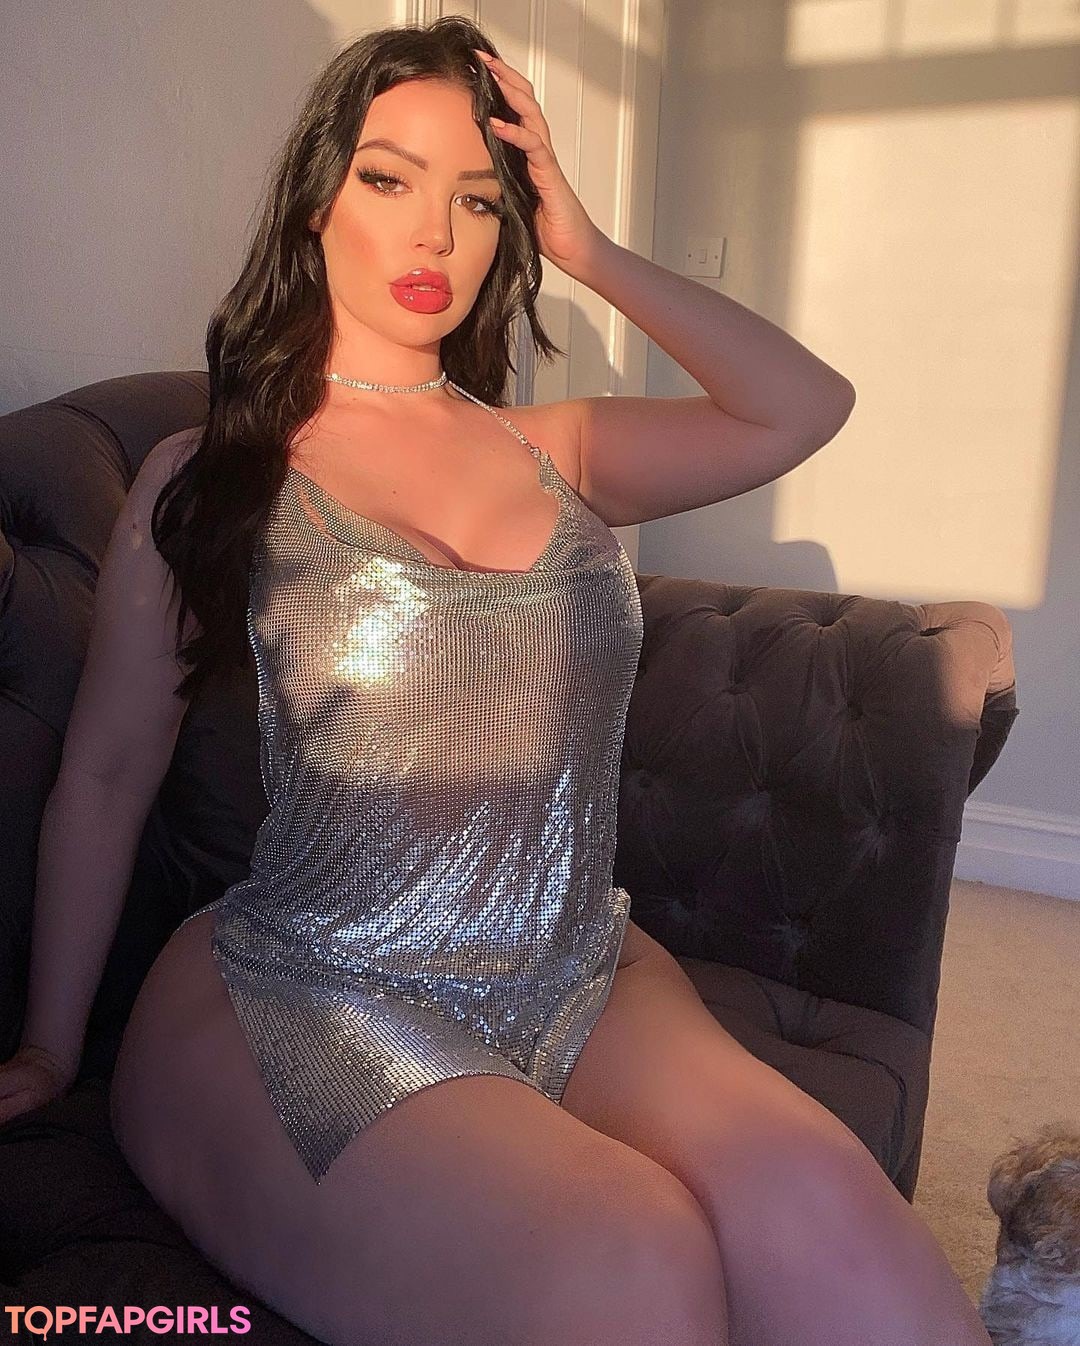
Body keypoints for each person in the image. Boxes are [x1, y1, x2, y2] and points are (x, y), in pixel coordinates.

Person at [0, 16, 993, 1346]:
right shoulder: (217, 473)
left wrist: (587, 246)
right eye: (388, 178)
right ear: (315, 202)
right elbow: (108, 771)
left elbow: (801, 404)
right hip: (317, 981)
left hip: (578, 967)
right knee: (632, 1262)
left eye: (478, 198)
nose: (436, 233)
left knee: (850, 1236)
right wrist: (51, 1045)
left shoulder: (556, 446)